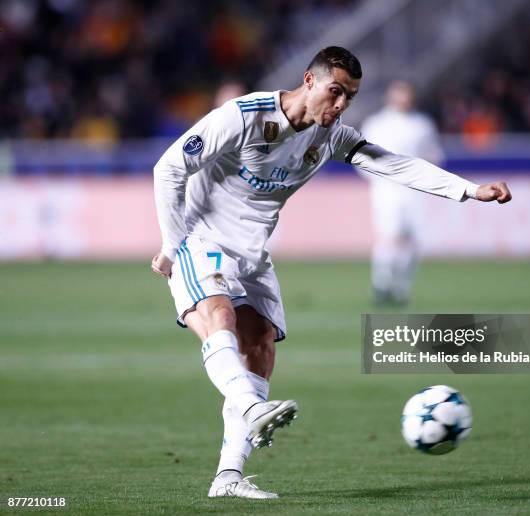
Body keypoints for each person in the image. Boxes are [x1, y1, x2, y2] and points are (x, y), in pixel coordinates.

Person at [151, 46, 511, 500]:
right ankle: (249, 406)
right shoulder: (243, 116)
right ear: (309, 81)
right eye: (335, 92)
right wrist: (171, 243)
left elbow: (394, 164)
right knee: (218, 318)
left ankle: (228, 476)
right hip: (199, 239)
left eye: (350, 98)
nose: (340, 105)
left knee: (260, 346)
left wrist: (470, 190)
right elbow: (169, 167)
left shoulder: (332, 136)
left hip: (253, 253)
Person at [361, 80, 445, 305]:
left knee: (413, 239)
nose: (403, 99)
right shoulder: (376, 124)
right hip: (386, 189)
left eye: (406, 94)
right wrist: (377, 179)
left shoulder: (421, 125)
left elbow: (433, 155)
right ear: (390, 96)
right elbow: (362, 158)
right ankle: (381, 283)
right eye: (399, 94)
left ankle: (401, 288)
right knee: (388, 236)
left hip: (414, 190)